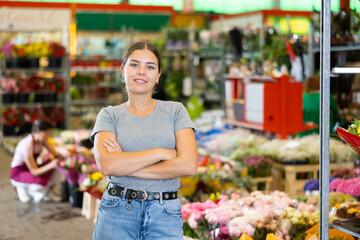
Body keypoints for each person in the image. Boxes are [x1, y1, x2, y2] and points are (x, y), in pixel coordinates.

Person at [90, 41, 198, 240]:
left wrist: (125, 164)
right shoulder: (108, 116)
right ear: (123, 70)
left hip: (165, 214)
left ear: (158, 76)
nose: (141, 71)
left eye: (150, 67)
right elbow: (106, 165)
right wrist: (160, 153)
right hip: (117, 212)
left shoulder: (176, 111)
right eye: (134, 64)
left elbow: (189, 165)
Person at [10, 120, 65, 203]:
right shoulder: (27, 144)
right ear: (38, 131)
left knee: (57, 163)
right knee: (39, 183)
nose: (48, 136)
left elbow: (56, 154)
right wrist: (51, 165)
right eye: (46, 133)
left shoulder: (42, 140)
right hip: (19, 173)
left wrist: (67, 153)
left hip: (31, 169)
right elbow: (35, 171)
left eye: (49, 133)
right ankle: (22, 187)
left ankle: (45, 191)